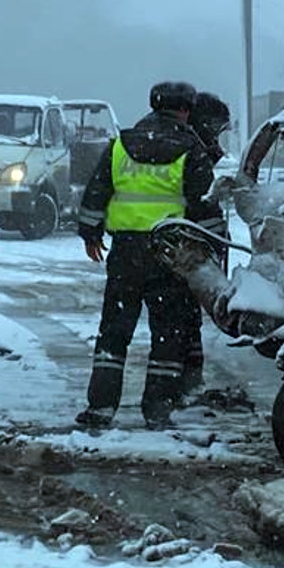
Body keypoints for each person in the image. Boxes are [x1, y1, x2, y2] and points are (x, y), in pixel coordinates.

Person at [74, 81, 216, 430]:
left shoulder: (121, 143)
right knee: (168, 332)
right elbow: (205, 205)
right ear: (184, 110)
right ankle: (157, 408)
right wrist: (213, 248)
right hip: (171, 253)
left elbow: (97, 190)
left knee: (114, 330)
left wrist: (90, 232)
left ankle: (101, 408)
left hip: (125, 252)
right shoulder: (190, 148)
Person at [176, 91, 232, 398]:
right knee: (181, 320)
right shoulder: (191, 154)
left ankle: (187, 384)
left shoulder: (188, 149)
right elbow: (200, 208)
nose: (217, 143)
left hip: (170, 245)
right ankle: (184, 386)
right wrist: (217, 241)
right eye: (215, 131)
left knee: (184, 320)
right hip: (182, 248)